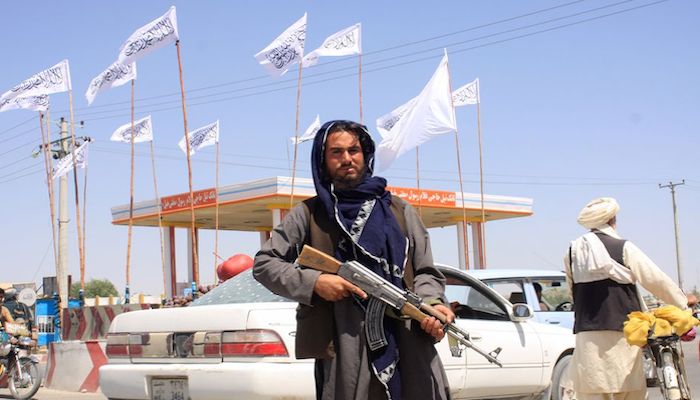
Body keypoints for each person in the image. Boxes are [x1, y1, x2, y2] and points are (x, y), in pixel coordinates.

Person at [254, 120, 454, 400]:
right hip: (342, 340)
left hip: (407, 336)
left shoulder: (398, 210)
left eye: (354, 150)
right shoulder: (309, 214)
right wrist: (317, 281)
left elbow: (426, 272)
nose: (347, 159)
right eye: (336, 152)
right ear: (323, 160)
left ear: (366, 154)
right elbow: (265, 263)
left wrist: (433, 306)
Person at [564, 197, 694, 400]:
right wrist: (682, 303)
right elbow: (655, 279)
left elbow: (572, 290)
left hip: (586, 333)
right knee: (627, 391)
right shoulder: (622, 247)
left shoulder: (573, 251)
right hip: (622, 332)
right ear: (612, 220)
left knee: (592, 390)